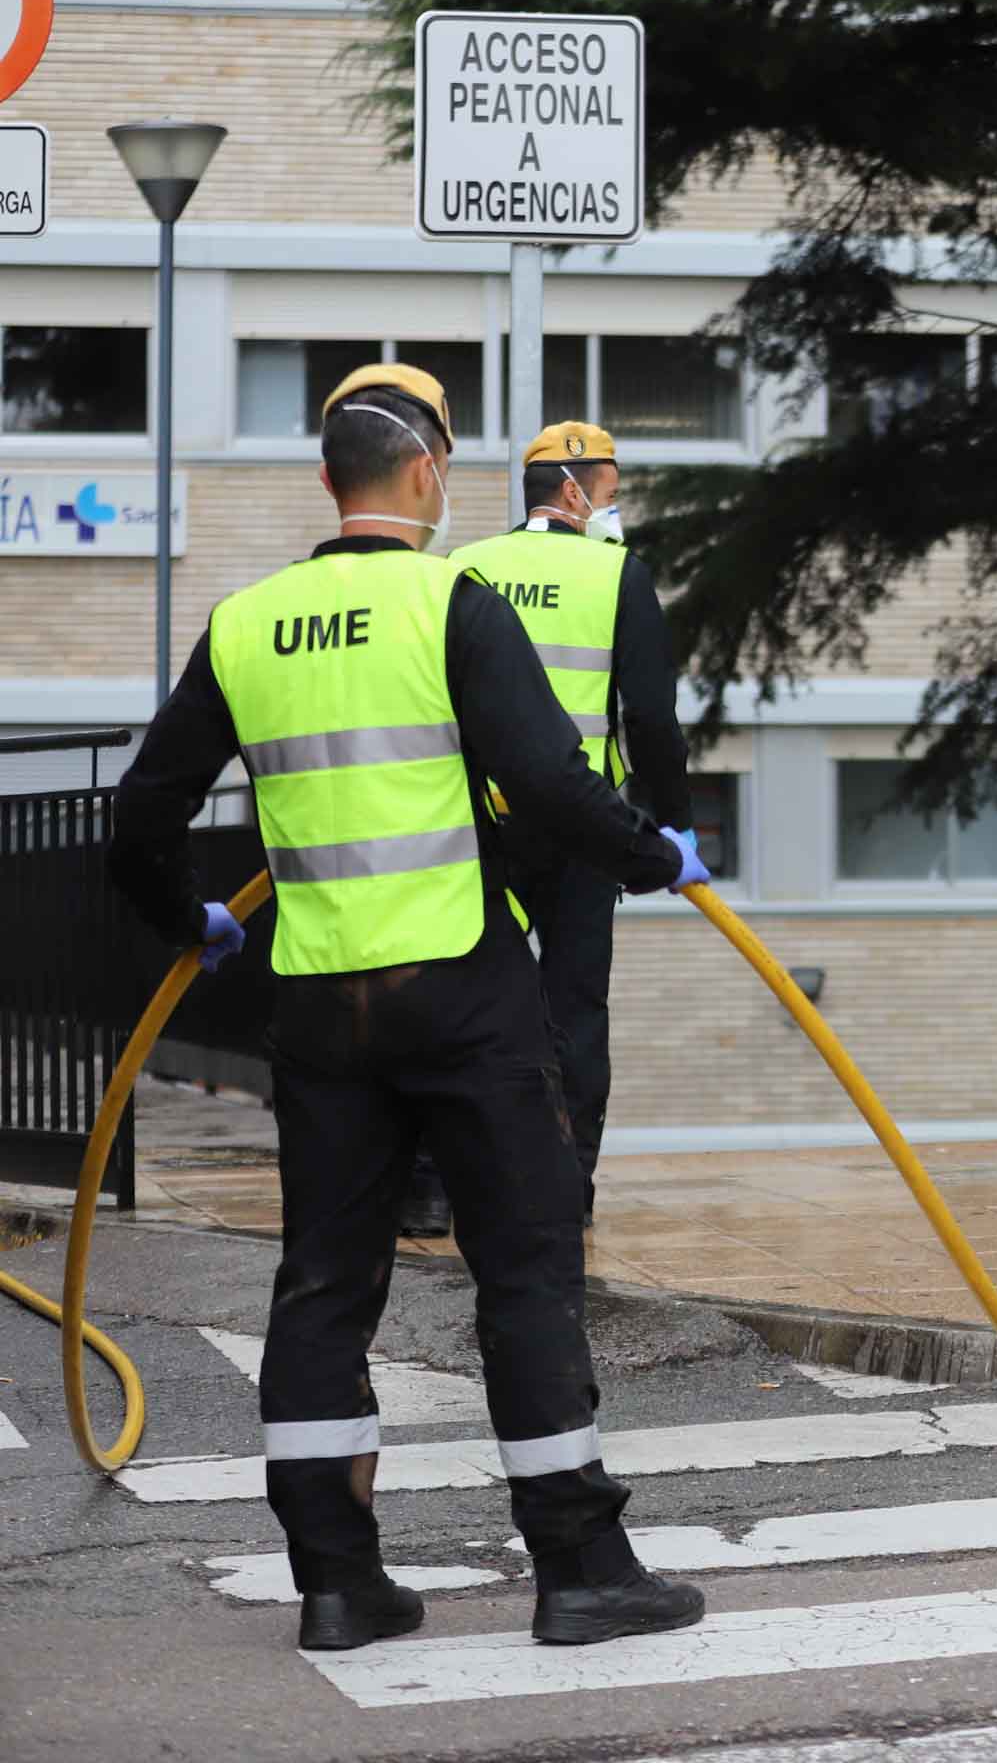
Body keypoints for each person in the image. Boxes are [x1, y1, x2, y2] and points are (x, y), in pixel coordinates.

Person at [107, 364, 709, 1656]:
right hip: (465, 997)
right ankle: (579, 1566)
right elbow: (550, 786)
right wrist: (656, 853)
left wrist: (192, 920)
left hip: (322, 1012)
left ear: (328, 481)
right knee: (526, 1266)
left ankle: (337, 1579)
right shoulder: (454, 601)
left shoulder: (247, 622)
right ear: (430, 475)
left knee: (325, 1283)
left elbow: (139, 816)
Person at [444, 422, 692, 1223]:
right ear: (576, 489)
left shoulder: (464, 569)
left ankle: (452, 1184)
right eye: (612, 494)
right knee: (575, 1012)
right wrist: (673, 830)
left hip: (479, 825)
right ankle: (566, 1191)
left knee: (472, 999)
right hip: (584, 831)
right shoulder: (616, 572)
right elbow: (651, 718)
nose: (615, 510)